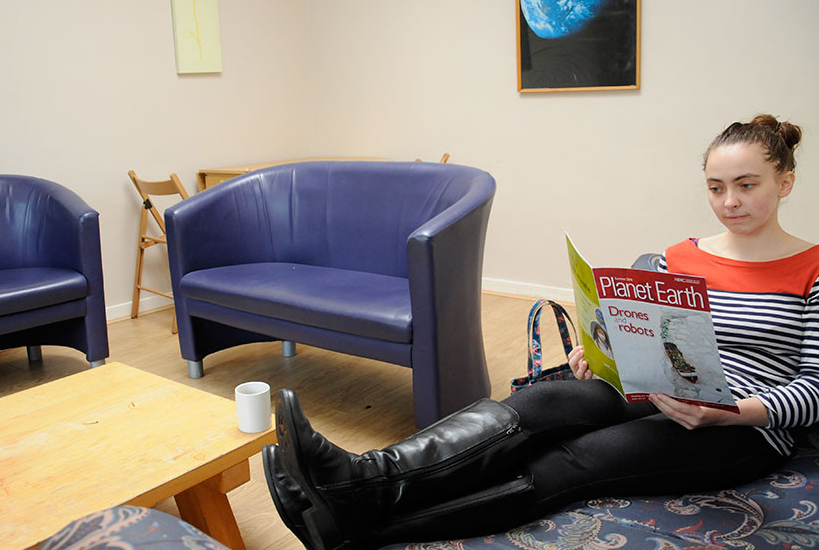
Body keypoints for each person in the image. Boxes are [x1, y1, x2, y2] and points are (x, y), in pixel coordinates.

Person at [261, 114, 819, 550]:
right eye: (716, 187)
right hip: (660, 390)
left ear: (786, 181)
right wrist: (604, 349)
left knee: (579, 458)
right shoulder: (683, 254)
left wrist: (736, 413)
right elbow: (658, 337)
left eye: (746, 185)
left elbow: (815, 387)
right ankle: (362, 476)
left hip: (743, 425)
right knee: (541, 402)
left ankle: (362, 529)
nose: (729, 202)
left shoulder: (811, 268)